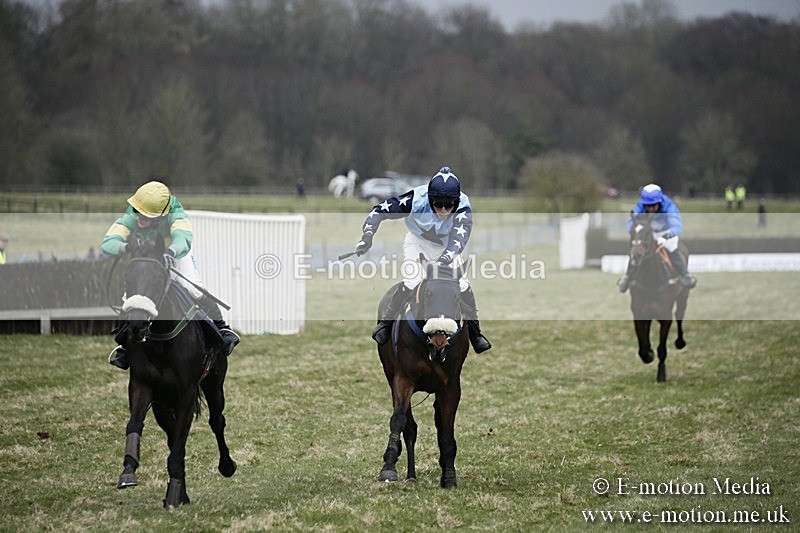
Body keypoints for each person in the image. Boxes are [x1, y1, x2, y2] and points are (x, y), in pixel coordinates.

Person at [100, 180, 240, 369]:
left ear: (161, 216)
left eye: (147, 217)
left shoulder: (176, 214)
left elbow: (183, 239)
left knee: (192, 288)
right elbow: (107, 243)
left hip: (175, 251)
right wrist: (126, 246)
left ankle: (222, 328)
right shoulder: (133, 212)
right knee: (129, 297)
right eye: (137, 212)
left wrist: (170, 252)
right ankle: (126, 346)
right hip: (149, 256)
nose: (139, 218)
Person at [353, 166, 491, 354]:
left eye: (448, 205)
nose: (443, 209)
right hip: (417, 243)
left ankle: (476, 334)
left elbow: (457, 243)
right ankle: (386, 323)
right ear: (429, 199)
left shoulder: (464, 208)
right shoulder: (415, 200)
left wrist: (440, 264)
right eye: (438, 204)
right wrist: (367, 236)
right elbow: (378, 211)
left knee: (463, 285)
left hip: (447, 248)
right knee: (412, 281)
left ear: (457, 201)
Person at [618, 183, 696, 293]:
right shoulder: (640, 206)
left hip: (666, 232)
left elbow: (677, 227)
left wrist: (666, 237)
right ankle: (627, 277)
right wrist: (635, 234)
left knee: (672, 247)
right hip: (647, 233)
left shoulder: (669, 206)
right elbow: (631, 223)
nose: (650, 209)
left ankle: (684, 275)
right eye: (647, 206)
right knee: (636, 249)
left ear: (660, 202)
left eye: (653, 205)